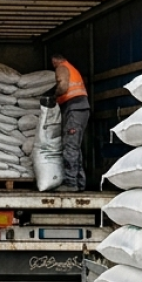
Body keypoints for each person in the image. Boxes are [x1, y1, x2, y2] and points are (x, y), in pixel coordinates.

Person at [51, 53, 89, 192]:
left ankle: (71, 183)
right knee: (75, 148)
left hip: (74, 109)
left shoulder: (61, 67)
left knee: (70, 147)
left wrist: (53, 96)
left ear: (54, 60)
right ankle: (79, 183)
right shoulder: (72, 68)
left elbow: (63, 86)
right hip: (80, 109)